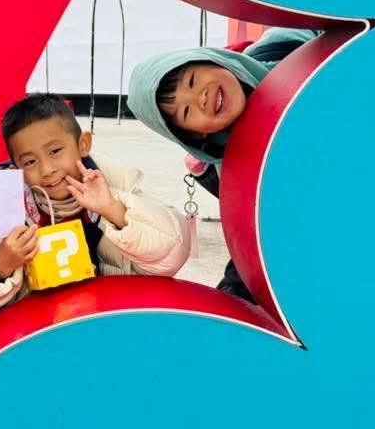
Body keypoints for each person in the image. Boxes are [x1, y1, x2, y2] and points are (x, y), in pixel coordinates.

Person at [0, 93, 190, 315]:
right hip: (45, 331)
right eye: (30, 162)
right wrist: (1, 266)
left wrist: (112, 209)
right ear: (16, 168)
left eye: (55, 151)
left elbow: (172, 254)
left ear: (83, 144)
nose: (47, 170)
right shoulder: (11, 210)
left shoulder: (114, 185)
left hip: (112, 320)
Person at [126, 27, 318, 300]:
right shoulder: (236, 174)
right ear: (196, 136)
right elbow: (256, 248)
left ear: (211, 60)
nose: (200, 98)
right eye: (187, 111)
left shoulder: (282, 51)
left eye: (192, 81)